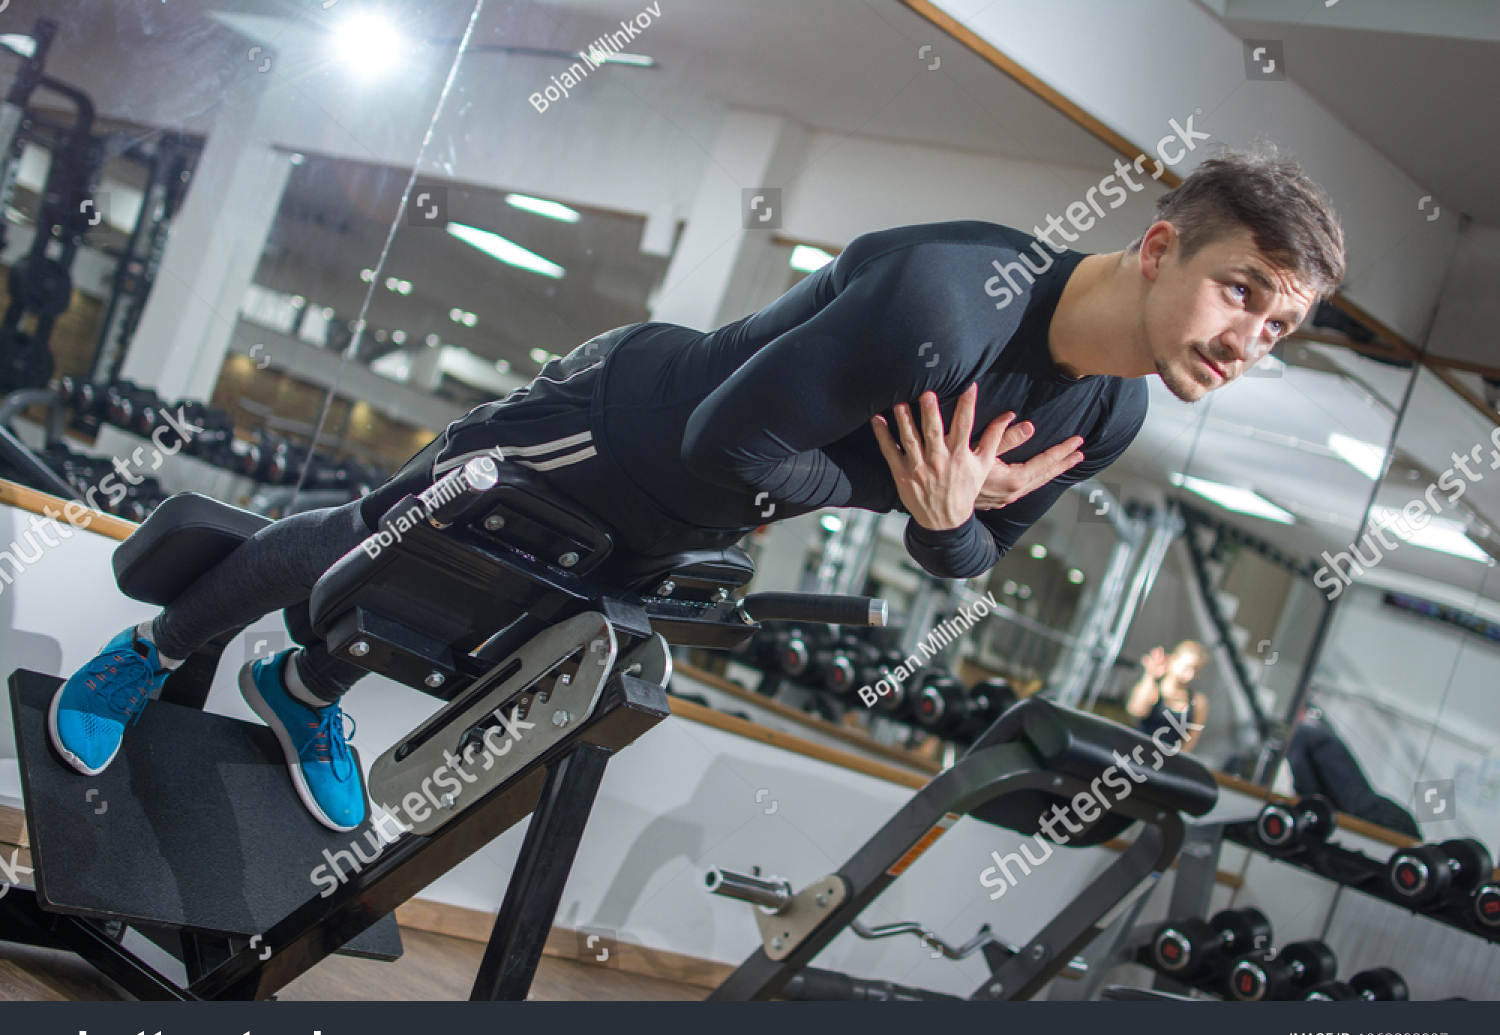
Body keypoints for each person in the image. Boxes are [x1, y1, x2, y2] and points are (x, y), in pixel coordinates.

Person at [47, 145, 1344, 831]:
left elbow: (971, 556)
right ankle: (151, 650)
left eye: (1278, 327)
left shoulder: (1109, 411)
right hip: (619, 424)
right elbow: (730, 438)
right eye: (1242, 291)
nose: (1246, 341)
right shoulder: (948, 299)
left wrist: (938, 519)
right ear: (1161, 242)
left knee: (473, 614)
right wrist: (907, 501)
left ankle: (302, 685)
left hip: (708, 513)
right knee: (387, 539)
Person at [1285, 703, 1421, 838]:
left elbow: (1306, 787)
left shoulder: (1300, 733)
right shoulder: (1322, 733)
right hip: (1386, 812)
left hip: (1371, 816)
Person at [1125, 640, 1210, 753]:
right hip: (1137, 752)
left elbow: (1189, 742)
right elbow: (1136, 711)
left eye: (1196, 670)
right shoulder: (1153, 687)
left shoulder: (1198, 701)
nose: (1190, 675)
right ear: (1173, 660)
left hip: (1165, 761)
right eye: (1187, 667)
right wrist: (1150, 675)